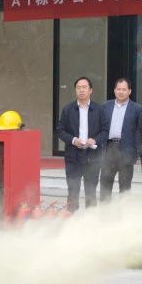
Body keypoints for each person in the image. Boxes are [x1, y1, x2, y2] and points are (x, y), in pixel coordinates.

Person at [55, 76, 106, 211]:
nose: (81, 90)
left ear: (91, 90)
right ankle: (71, 220)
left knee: (91, 192)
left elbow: (105, 131)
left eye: (84, 87)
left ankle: (90, 223)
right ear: (75, 90)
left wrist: (94, 140)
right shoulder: (68, 109)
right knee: (72, 191)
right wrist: (73, 140)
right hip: (73, 157)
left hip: (93, 157)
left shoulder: (99, 109)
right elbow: (60, 130)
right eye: (78, 88)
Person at [98, 77, 141, 200]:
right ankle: (104, 214)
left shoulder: (137, 109)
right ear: (114, 90)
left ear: (129, 91)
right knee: (105, 182)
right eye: (118, 89)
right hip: (109, 149)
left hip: (126, 149)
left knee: (125, 186)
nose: (121, 92)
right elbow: (100, 128)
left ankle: (123, 216)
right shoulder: (105, 106)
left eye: (124, 89)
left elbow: (139, 131)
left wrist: (137, 152)